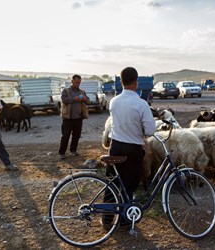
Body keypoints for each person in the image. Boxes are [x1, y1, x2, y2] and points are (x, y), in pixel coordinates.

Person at [103, 67, 156, 227]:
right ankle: (125, 222)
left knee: (112, 184)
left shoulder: (114, 101)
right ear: (136, 82)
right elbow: (150, 130)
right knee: (129, 186)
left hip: (115, 147)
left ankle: (107, 220)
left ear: (121, 81)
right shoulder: (141, 104)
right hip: (133, 149)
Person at [58, 74, 90, 159]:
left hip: (78, 118)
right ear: (72, 81)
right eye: (76, 82)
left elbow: (88, 101)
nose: (78, 84)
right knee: (65, 136)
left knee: (76, 136)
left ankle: (73, 150)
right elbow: (64, 100)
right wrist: (74, 99)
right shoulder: (66, 91)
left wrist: (84, 99)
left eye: (79, 83)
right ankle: (62, 153)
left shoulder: (82, 92)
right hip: (68, 118)